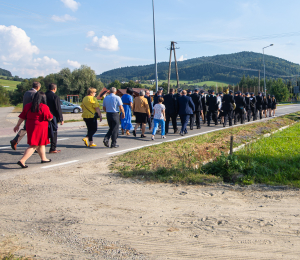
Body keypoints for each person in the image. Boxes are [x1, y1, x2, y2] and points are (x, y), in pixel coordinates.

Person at [13, 92, 53, 168]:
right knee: (34, 144)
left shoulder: (28, 106)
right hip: (40, 126)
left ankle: (44, 158)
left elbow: (22, 116)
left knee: (41, 143)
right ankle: (22, 160)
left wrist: (17, 125)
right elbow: (49, 118)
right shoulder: (44, 107)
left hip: (30, 125)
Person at [10, 82, 41, 150]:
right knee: (33, 129)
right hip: (32, 114)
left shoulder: (26, 92)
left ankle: (15, 140)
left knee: (26, 128)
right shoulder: (35, 94)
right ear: (38, 87)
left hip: (25, 112)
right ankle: (35, 146)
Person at [45, 83, 64, 153]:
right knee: (54, 132)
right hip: (52, 116)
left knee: (44, 132)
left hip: (43, 116)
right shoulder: (55, 96)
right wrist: (61, 119)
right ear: (54, 89)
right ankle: (52, 148)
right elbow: (58, 108)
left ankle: (38, 147)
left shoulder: (43, 95)